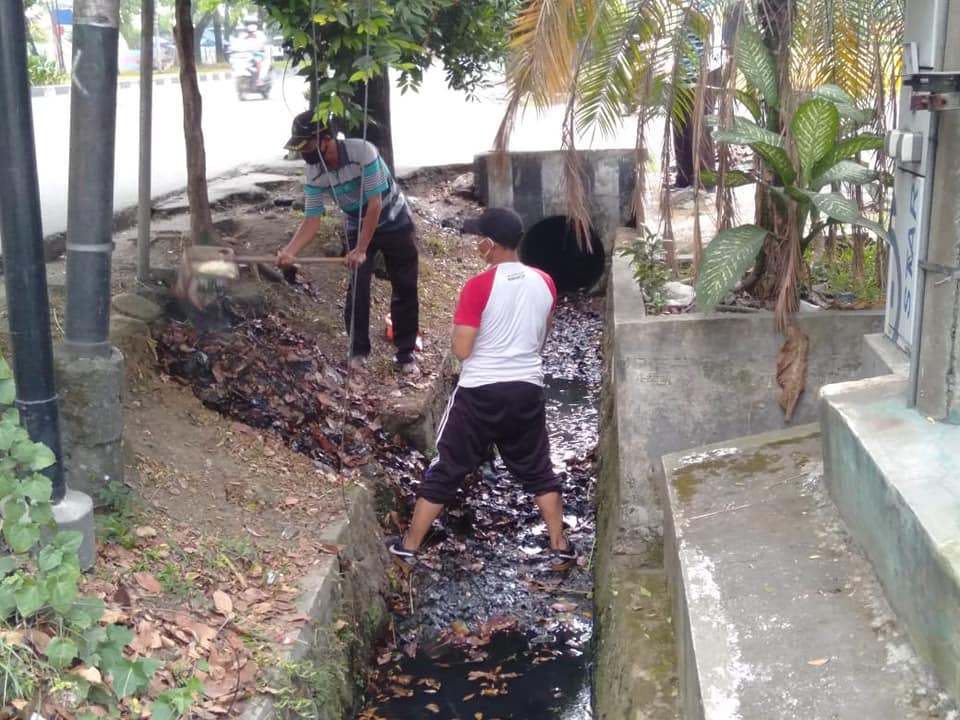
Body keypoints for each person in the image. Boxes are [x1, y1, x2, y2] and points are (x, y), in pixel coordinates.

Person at [387, 207, 576, 570]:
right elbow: (542, 337)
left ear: (489, 245)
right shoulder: (545, 281)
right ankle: (560, 545)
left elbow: (462, 350)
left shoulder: (478, 287)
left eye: (480, 241)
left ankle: (409, 546)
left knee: (448, 466)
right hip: (527, 389)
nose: (478, 247)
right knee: (538, 467)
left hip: (479, 393)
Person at [277, 110, 420, 374]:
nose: (304, 152)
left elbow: (375, 204)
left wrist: (362, 249)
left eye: (307, 145)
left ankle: (406, 353)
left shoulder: (363, 152)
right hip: (356, 221)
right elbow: (312, 220)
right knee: (358, 286)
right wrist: (290, 252)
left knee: (404, 285)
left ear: (326, 139)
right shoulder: (314, 172)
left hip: (394, 218)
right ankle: (358, 352)